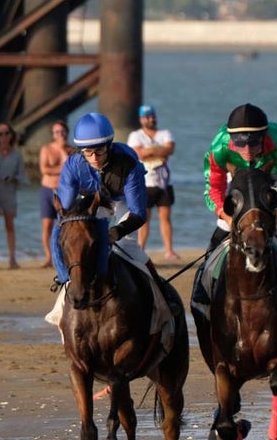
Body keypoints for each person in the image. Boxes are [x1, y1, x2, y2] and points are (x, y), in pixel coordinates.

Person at [50, 111, 181, 312]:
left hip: (123, 203)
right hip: (92, 202)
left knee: (129, 248)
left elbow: (139, 213)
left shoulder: (128, 164)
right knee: (64, 236)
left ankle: (162, 294)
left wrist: (116, 232)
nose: (94, 158)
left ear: (109, 145)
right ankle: (63, 289)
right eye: (87, 152)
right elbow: (65, 212)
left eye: (99, 151)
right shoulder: (73, 164)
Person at [202, 102, 277, 268]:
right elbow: (213, 190)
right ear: (231, 140)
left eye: (254, 143)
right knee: (222, 228)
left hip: (273, 175)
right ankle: (201, 286)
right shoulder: (219, 149)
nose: (247, 150)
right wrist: (228, 218)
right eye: (240, 143)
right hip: (237, 174)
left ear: (264, 137)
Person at [127, 104, 177, 260]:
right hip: (146, 182)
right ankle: (141, 248)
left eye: (152, 116)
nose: (150, 119)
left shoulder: (165, 133)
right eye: (147, 116)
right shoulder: (135, 135)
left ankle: (169, 250)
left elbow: (169, 150)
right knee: (144, 218)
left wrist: (149, 151)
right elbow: (138, 154)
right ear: (141, 119)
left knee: (165, 217)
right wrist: (157, 150)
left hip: (164, 183)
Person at [0, 122, 27, 269]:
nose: (3, 137)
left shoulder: (16, 154)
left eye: (6, 133)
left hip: (9, 190)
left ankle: (12, 258)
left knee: (10, 224)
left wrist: (14, 178)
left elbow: (22, 175)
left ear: (11, 135)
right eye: (0, 134)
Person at [38, 119, 70, 268]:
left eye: (62, 132)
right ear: (53, 134)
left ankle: (63, 255)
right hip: (47, 190)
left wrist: (62, 150)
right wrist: (60, 168)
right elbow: (44, 170)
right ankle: (48, 257)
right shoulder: (46, 149)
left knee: (64, 224)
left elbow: (69, 169)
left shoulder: (69, 150)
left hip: (63, 191)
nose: (60, 135)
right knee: (47, 225)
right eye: (57, 132)